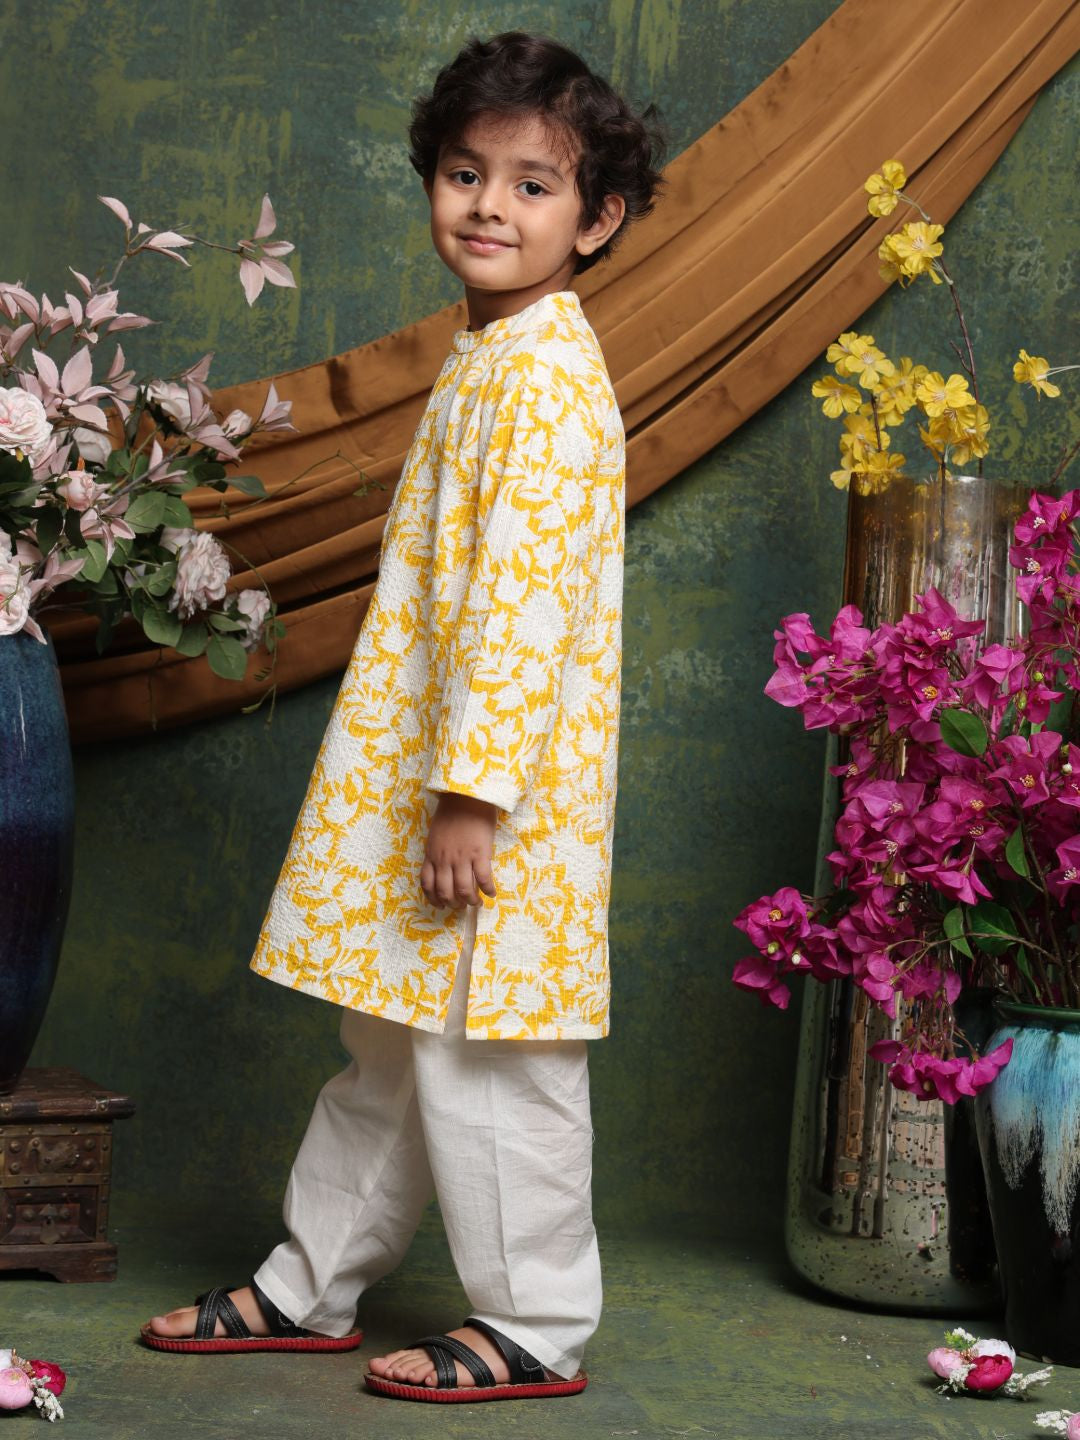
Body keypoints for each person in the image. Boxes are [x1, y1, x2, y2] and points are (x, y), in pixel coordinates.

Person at [144, 30, 663, 1403]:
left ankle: (537, 1320)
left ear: (596, 220)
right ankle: (311, 1281)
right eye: (464, 173)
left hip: (494, 798)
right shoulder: (486, 356)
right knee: (390, 1038)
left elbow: (523, 609)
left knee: (497, 1058)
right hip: (429, 776)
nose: (489, 207)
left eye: (534, 186)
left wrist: (475, 794)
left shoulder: (549, 380)